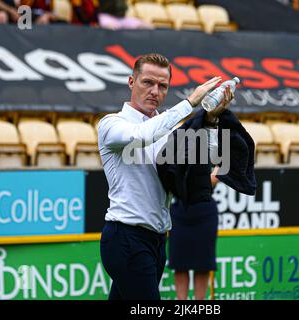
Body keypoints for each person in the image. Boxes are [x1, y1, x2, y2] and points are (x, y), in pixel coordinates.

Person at [97, 53, 233, 300]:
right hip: (126, 239)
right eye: (147, 82)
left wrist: (212, 119)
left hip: (157, 240)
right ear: (131, 82)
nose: (155, 91)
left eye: (162, 86)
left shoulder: (165, 126)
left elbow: (210, 154)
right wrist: (189, 104)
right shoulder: (111, 124)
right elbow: (140, 136)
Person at [169, 166, 220, 300]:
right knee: (180, 265)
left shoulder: (214, 146)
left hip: (205, 211)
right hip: (180, 210)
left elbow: (218, 172)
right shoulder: (175, 146)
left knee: (203, 265)